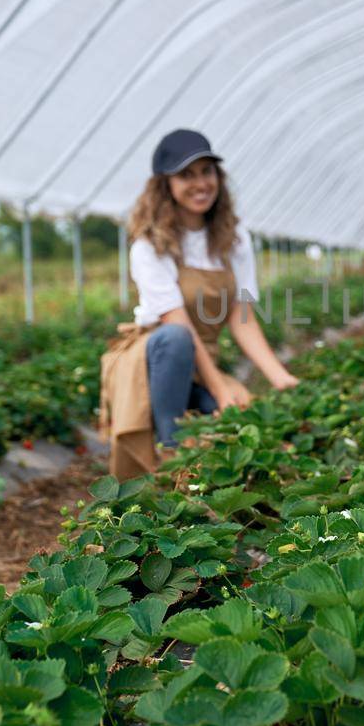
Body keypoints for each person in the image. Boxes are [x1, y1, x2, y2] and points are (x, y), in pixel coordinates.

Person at [98, 129, 297, 478]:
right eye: (186, 175)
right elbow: (180, 326)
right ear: (165, 185)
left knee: (239, 429)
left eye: (207, 171)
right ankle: (169, 457)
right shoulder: (149, 245)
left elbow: (242, 315)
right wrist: (220, 388)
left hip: (202, 363)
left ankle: (191, 468)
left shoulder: (234, 239)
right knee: (176, 343)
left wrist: (280, 377)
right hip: (157, 361)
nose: (200, 183)